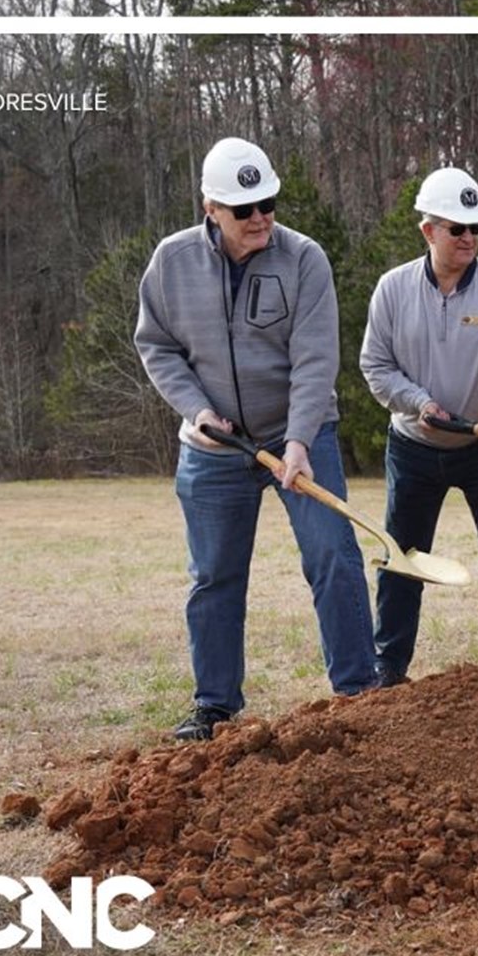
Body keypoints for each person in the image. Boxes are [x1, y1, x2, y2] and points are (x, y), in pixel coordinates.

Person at [135, 136, 378, 741]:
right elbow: (156, 346)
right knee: (214, 574)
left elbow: (316, 357)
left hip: (300, 432)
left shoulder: (304, 259)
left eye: (267, 202)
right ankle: (215, 705)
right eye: (243, 209)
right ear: (209, 209)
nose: (260, 218)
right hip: (213, 448)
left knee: (333, 556)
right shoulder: (171, 262)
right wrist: (195, 411)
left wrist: (298, 440)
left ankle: (358, 690)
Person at [360, 166, 478, 686]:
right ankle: (387, 669)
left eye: (476, 229)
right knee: (403, 558)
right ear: (428, 231)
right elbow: (375, 367)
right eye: (457, 228)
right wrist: (417, 401)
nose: (469, 237)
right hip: (414, 447)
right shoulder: (393, 289)